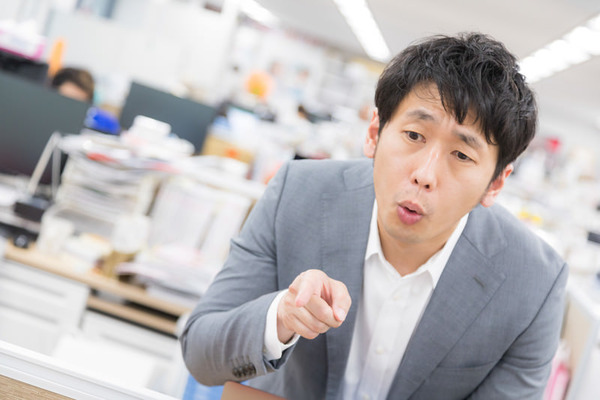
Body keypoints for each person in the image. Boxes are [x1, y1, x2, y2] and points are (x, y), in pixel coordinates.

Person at [180, 33, 567, 399]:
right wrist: (281, 317)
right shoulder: (299, 194)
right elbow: (199, 351)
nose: (425, 175)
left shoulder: (533, 283)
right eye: (414, 135)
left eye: (462, 155)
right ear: (374, 133)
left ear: (495, 183)